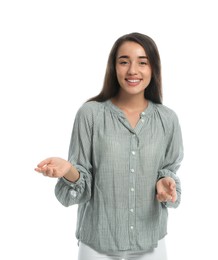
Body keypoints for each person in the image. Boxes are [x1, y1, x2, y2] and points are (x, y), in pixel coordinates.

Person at [35, 32, 183, 260]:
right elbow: (82, 176)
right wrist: (69, 171)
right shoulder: (90, 114)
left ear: (153, 68)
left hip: (151, 242)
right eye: (124, 61)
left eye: (142, 62)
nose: (133, 70)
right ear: (113, 68)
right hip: (97, 244)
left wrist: (165, 183)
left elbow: (169, 168)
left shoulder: (168, 119)